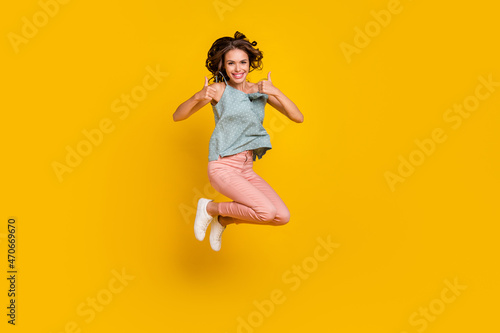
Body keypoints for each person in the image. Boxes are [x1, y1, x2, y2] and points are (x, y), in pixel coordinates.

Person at [173, 31, 303, 251]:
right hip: (223, 166)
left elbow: (297, 117)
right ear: (223, 66)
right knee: (266, 211)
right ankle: (210, 208)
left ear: (250, 63)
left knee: (281, 216)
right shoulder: (218, 90)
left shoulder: (260, 90)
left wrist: (276, 92)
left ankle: (222, 220)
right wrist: (197, 96)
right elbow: (178, 116)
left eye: (243, 62)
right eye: (231, 63)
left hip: (246, 168)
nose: (237, 68)